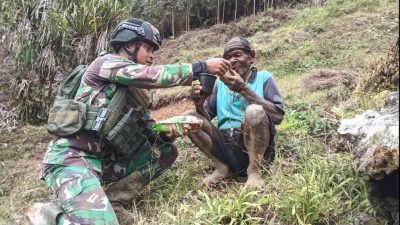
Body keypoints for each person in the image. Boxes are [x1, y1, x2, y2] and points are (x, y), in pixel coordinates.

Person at [24, 18, 230, 225]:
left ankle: (113, 201)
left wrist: (168, 132)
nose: (151, 56)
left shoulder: (138, 91)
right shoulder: (105, 64)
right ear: (130, 44)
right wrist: (201, 67)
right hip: (71, 158)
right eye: (148, 48)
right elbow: (151, 75)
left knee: (166, 152)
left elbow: (147, 127)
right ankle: (47, 214)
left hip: (103, 162)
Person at [187, 37, 284, 190]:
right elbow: (205, 121)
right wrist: (199, 105)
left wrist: (244, 89)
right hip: (226, 145)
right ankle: (222, 168)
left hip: (254, 148)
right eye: (227, 58)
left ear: (251, 56)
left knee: (255, 111)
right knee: (190, 117)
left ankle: (254, 171)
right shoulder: (219, 85)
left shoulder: (264, 78)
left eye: (237, 55)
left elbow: (278, 116)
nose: (232, 60)